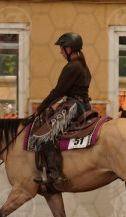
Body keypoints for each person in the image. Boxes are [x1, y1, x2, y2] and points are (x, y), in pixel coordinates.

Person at [33, 32, 92, 185]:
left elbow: (58, 92)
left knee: (44, 135)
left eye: (61, 48)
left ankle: (55, 173)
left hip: (74, 106)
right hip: (84, 105)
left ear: (69, 48)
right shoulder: (83, 65)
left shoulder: (72, 67)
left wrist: (41, 107)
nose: (60, 51)